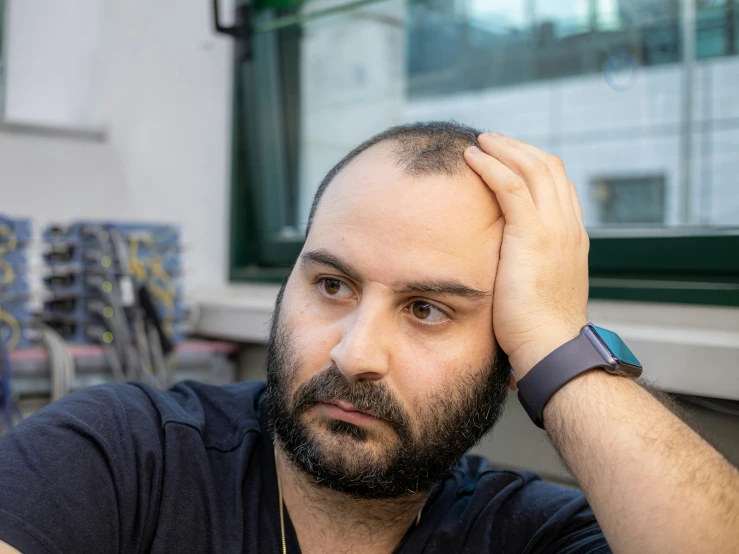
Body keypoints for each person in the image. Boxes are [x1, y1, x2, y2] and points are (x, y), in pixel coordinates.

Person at [0, 122, 737, 554]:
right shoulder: (121, 458)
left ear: (510, 351)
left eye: (425, 309)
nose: (354, 353)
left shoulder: (527, 534)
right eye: (331, 286)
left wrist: (559, 342)